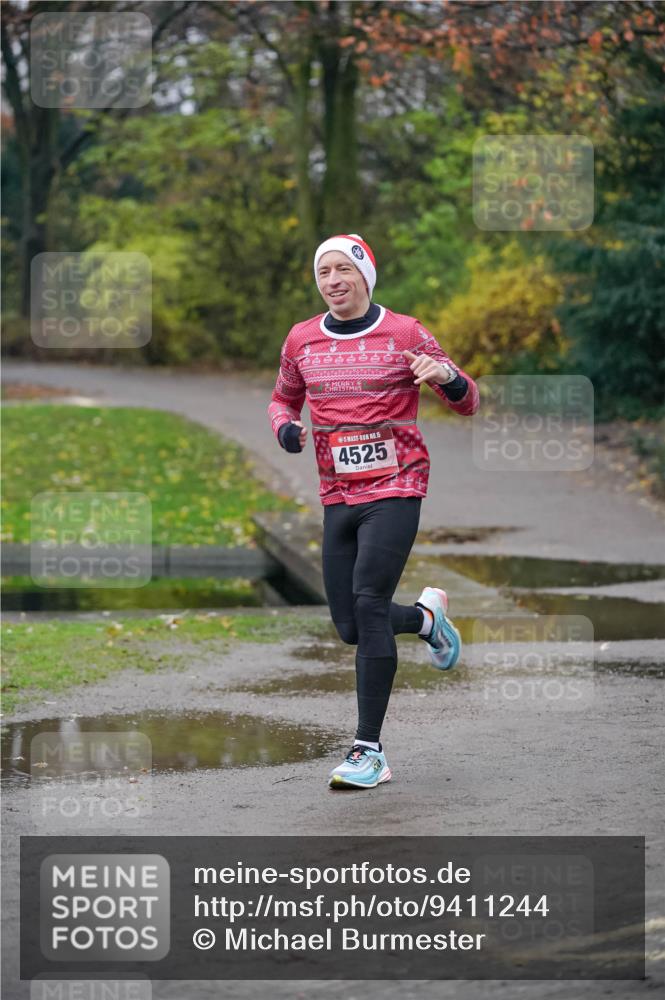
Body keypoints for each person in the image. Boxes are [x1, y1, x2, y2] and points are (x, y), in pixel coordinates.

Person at [268, 234, 479, 790]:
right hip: (337, 494)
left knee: (368, 601)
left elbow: (468, 400)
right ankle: (427, 620)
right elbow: (282, 399)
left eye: (344, 269)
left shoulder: (404, 332)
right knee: (349, 626)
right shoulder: (302, 339)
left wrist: (447, 377)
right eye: (324, 272)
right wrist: (285, 428)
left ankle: (368, 750)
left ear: (365, 275)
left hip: (396, 486)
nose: (333, 280)